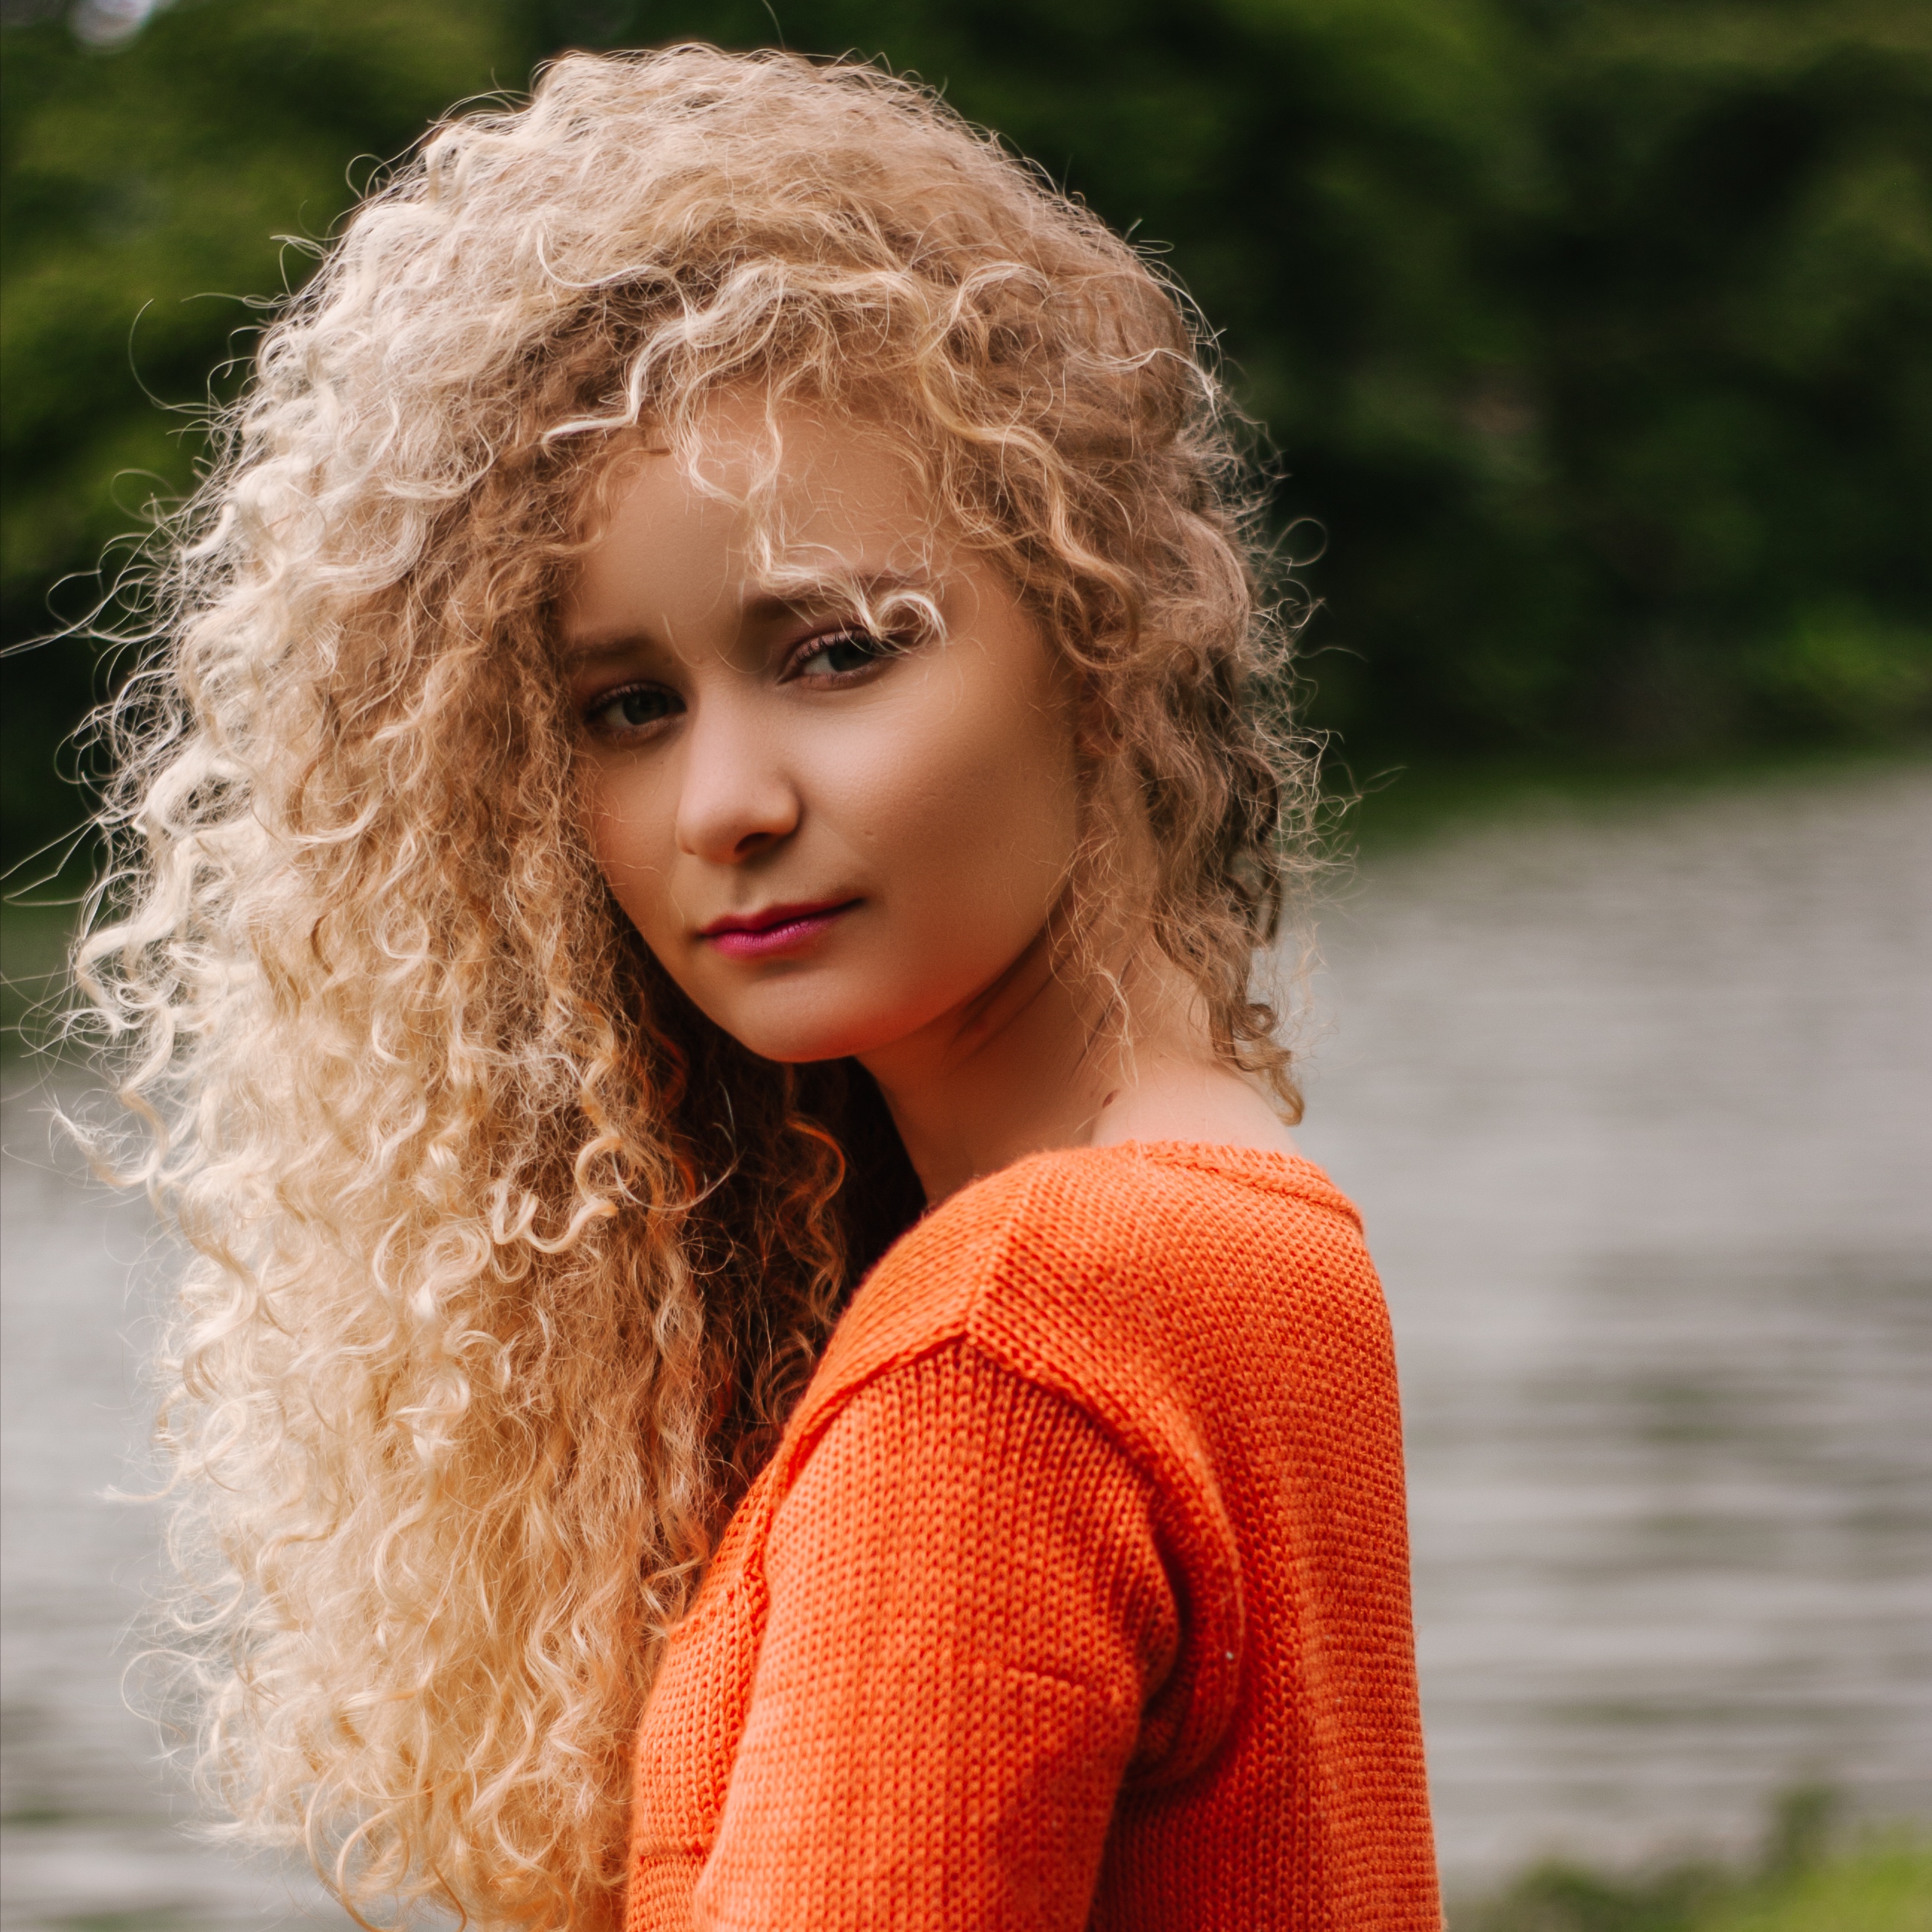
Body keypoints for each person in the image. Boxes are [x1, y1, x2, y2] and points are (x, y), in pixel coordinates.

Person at [78, 43, 1439, 1931]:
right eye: (626, 708)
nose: (725, 803)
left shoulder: (1013, 1335)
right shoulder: (1247, 1232)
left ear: (1104, 631)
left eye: (836, 650)